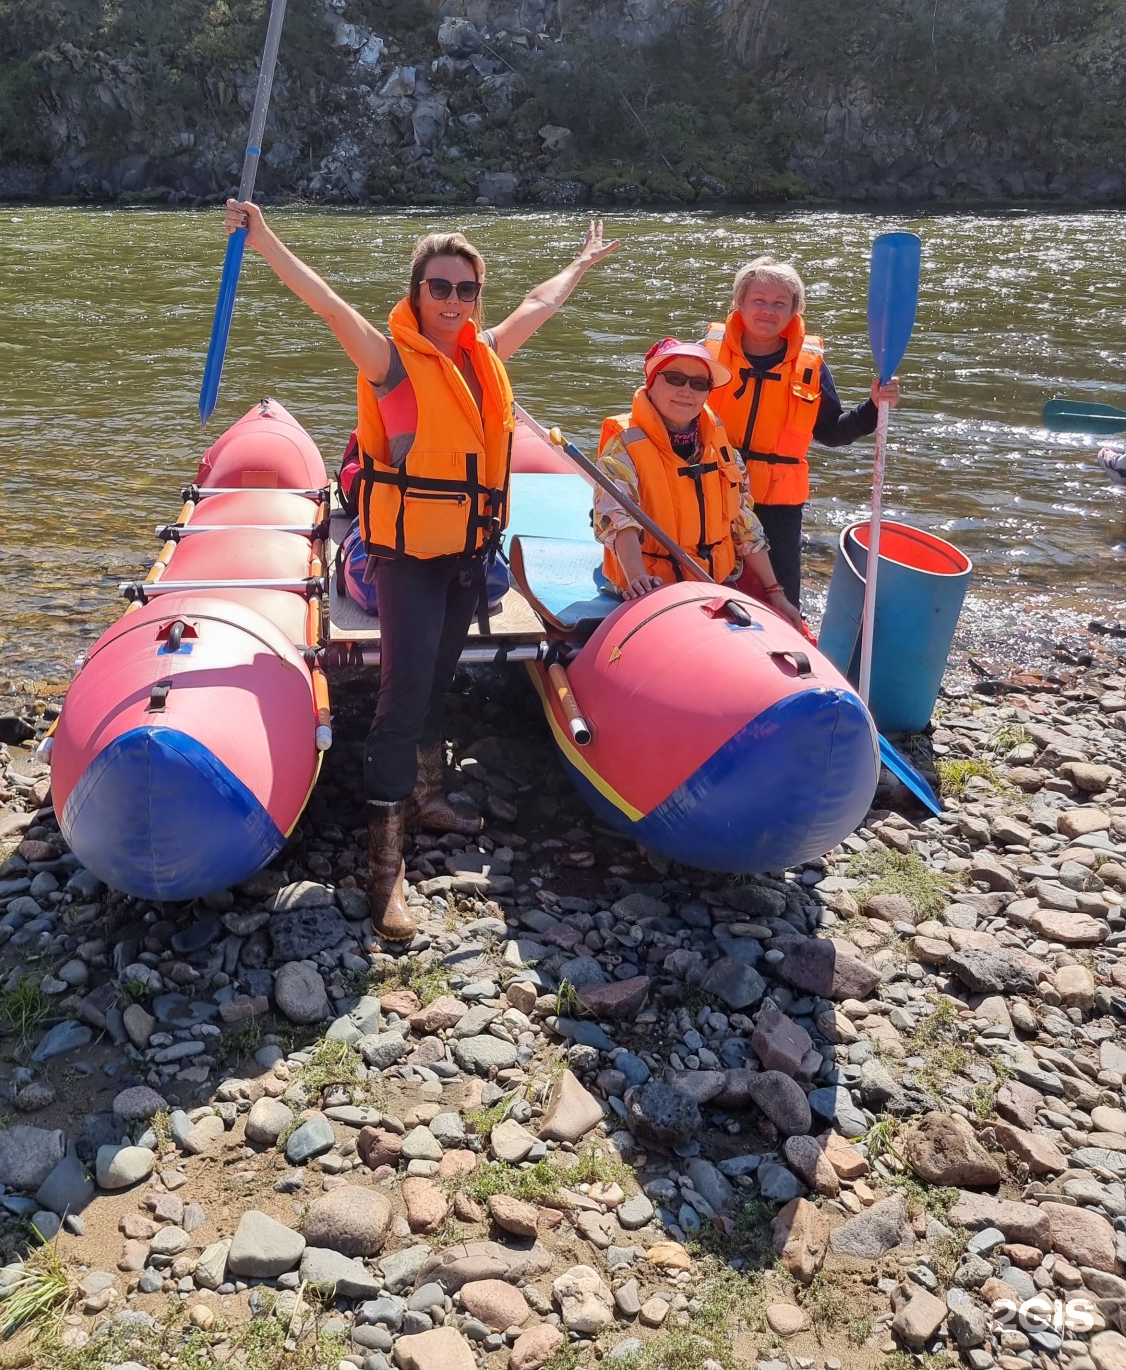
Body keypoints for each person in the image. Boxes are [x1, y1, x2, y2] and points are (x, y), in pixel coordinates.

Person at [223, 200, 617, 940]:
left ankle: (426, 795)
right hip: (405, 560)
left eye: (467, 289)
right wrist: (263, 235)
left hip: (468, 554)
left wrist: (581, 265)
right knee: (400, 702)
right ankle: (385, 873)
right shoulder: (389, 361)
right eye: (440, 287)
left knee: (440, 681)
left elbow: (538, 302)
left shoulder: (485, 356)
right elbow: (326, 303)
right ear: (416, 292)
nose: (454, 302)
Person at [702, 256, 900, 609]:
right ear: (739, 303)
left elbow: (832, 433)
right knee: (704, 584)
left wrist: (873, 406)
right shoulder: (706, 355)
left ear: (795, 310)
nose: (768, 310)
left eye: (780, 303)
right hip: (709, 490)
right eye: (758, 301)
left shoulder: (810, 367)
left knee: (779, 597)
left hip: (778, 503)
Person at [593, 337, 804, 631]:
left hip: (713, 585)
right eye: (675, 378)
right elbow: (617, 519)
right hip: (647, 589)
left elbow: (743, 521)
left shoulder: (720, 447)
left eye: (698, 384)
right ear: (652, 382)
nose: (686, 391)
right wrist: (637, 579)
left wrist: (775, 593)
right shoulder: (623, 447)